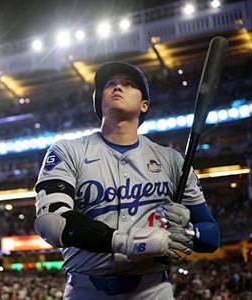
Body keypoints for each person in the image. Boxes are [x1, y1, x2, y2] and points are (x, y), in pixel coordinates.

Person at [34, 61, 220, 299]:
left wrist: (188, 232)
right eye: (110, 84)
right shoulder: (68, 151)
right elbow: (52, 223)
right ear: (98, 101)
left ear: (144, 105)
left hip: (152, 290)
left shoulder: (173, 161)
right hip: (85, 289)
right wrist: (125, 242)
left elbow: (212, 234)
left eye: (128, 84)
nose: (117, 87)